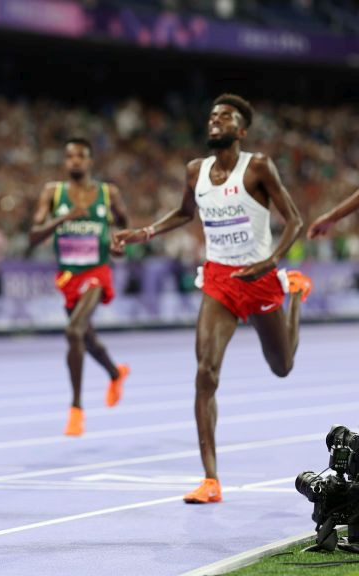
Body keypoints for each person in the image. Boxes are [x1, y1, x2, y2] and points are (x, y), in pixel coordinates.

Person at [115, 94, 311, 504]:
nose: (215, 121)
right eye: (212, 116)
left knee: (282, 367)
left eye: (225, 117)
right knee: (205, 372)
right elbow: (185, 213)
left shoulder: (257, 166)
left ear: (241, 131)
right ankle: (210, 479)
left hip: (259, 276)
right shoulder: (194, 171)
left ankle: (294, 293)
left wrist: (273, 262)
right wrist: (146, 231)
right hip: (219, 279)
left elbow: (294, 219)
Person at [28, 138, 131, 437]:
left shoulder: (108, 193)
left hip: (97, 272)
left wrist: (119, 242)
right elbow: (34, 236)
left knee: (73, 331)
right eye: (69, 156)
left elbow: (123, 225)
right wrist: (64, 218)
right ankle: (115, 372)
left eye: (80, 156)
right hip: (68, 277)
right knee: (86, 338)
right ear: (65, 161)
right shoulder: (53, 192)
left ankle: (76, 409)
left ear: (89, 161)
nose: (75, 161)